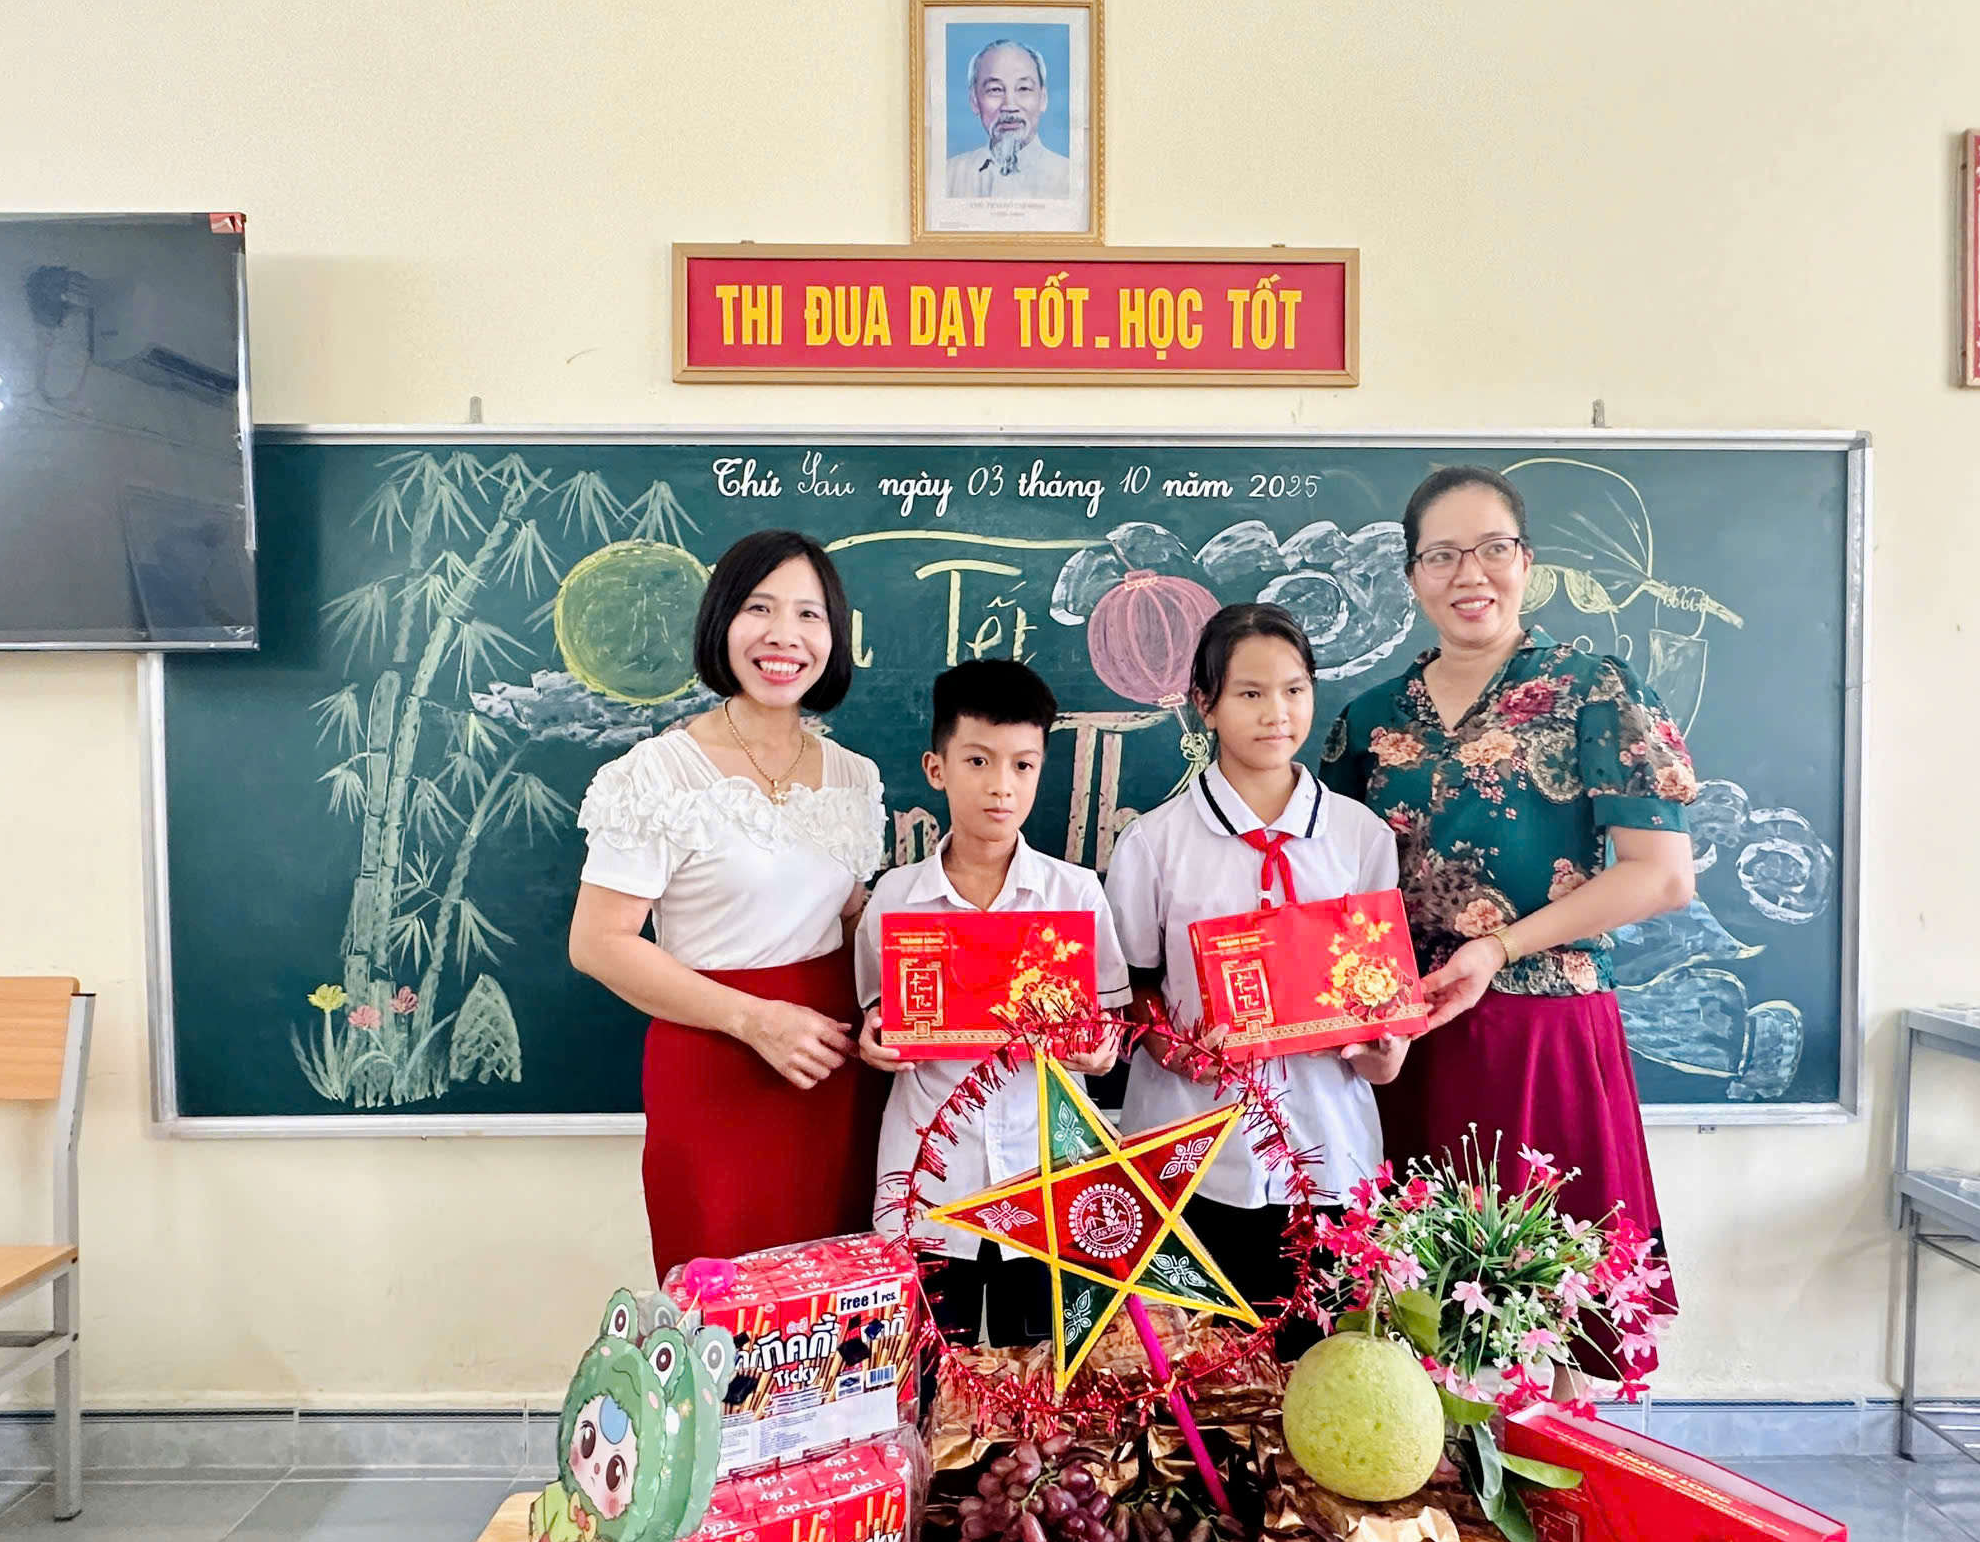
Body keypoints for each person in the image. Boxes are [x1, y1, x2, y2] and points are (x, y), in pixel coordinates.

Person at [1323, 464, 1697, 1340]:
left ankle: (1558, 1431)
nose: (1470, 574)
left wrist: (1498, 948)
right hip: (1405, 1037)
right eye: (1442, 555)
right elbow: (1334, 889)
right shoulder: (1368, 719)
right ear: (1413, 575)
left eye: (1493, 549)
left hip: (1544, 1031)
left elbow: (1661, 874)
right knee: (1408, 1319)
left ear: (1527, 561)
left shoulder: (1593, 690)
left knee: (1549, 1310)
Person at [569, 530, 887, 1277]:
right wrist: (755, 1020)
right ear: (722, 622)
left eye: (809, 615)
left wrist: (894, 1006)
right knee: (722, 1301)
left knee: (841, 1301)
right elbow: (598, 943)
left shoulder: (854, 775)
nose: (784, 636)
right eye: (759, 608)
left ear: (834, 635)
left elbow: (849, 918)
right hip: (716, 1061)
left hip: (834, 1065)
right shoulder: (655, 775)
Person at [1105, 603, 1408, 1308]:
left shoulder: (1360, 838)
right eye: (1249, 693)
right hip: (1194, 1150)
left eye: (1294, 690)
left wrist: (1386, 1047)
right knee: (1198, 1362)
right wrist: (1176, 1047)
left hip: (1329, 1148)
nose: (1277, 714)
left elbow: (1379, 990)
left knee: (1322, 1355)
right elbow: (1128, 988)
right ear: (1204, 705)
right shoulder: (1155, 842)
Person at [856, 660, 1128, 1344]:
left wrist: (1100, 1051)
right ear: (937, 768)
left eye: (1022, 765)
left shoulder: (1074, 894)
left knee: (1038, 1359)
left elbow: (1107, 1022)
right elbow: (877, 1012)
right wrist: (875, 1040)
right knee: (924, 1360)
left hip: (1045, 1171)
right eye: (978, 761)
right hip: (928, 1173)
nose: (1001, 786)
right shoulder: (896, 898)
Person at [944, 38, 1073, 200]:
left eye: (1023, 88)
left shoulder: (1070, 178)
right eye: (995, 89)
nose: (1010, 106)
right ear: (974, 101)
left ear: (1043, 99)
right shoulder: (949, 176)